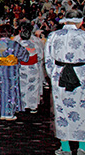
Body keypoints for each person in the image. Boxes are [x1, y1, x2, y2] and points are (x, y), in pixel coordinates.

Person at [45, 9, 85, 155]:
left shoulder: (53, 35)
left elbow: (48, 59)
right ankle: (82, 147)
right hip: (82, 74)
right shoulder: (84, 36)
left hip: (59, 74)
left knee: (61, 110)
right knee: (83, 110)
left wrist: (52, 75)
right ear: (80, 21)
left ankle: (66, 147)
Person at [0, 23, 29, 120]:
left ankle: (3, 112)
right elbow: (25, 56)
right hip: (12, 70)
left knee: (2, 90)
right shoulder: (14, 44)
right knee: (11, 89)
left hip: (1, 69)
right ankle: (9, 113)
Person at [15, 22, 44, 113]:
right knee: (33, 86)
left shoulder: (17, 44)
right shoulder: (36, 43)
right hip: (33, 67)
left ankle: (22, 105)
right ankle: (32, 106)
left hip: (21, 67)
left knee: (21, 86)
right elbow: (40, 56)